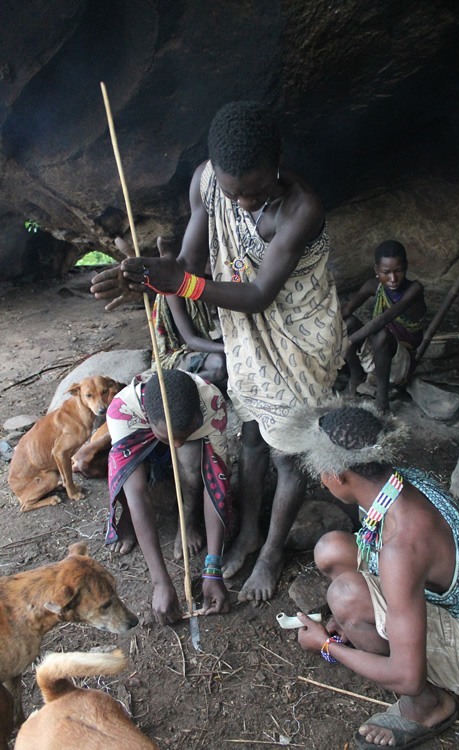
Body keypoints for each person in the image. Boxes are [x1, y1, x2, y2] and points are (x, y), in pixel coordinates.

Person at [91, 101, 346, 602]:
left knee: (288, 457)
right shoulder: (207, 182)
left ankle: (271, 553)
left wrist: (181, 282)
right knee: (251, 434)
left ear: (277, 162)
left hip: (299, 338)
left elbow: (257, 294)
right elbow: (187, 260)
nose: (246, 203)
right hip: (245, 333)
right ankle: (249, 529)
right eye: (236, 193)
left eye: (257, 190)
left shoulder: (300, 208)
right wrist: (146, 277)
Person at [280, 401, 459, 749]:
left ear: (338, 476)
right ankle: (367, 626)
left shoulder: (403, 545)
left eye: (321, 474)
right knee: (331, 550)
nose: (322, 483)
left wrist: (326, 645)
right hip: (444, 594)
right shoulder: (396, 483)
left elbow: (408, 677)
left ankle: (429, 707)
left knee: (345, 596)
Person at [105, 368, 232, 624]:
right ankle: (127, 521)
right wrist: (160, 582)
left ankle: (186, 520)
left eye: (185, 433)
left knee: (191, 463)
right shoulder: (122, 409)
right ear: (150, 420)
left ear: (199, 414)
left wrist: (213, 568)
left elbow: (216, 483)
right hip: (141, 439)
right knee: (131, 482)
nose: (176, 444)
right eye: (168, 437)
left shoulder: (211, 402)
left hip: (184, 430)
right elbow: (137, 493)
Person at [341, 240, 426, 412]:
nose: (393, 279)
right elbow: (347, 309)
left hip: (400, 362)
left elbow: (384, 318)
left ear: (406, 267)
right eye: (386, 272)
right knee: (348, 323)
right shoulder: (374, 286)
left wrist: (351, 341)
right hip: (375, 355)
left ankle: (382, 401)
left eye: (398, 271)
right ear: (376, 270)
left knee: (382, 333)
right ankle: (357, 378)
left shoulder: (414, 289)